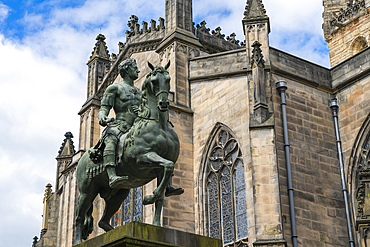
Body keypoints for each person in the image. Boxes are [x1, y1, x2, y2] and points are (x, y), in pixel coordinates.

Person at [97, 58, 141, 188]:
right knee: (111, 139)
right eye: (134, 67)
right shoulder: (114, 88)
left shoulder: (140, 92)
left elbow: (146, 110)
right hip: (120, 125)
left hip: (137, 127)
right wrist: (103, 117)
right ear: (127, 70)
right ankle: (111, 175)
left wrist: (141, 111)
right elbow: (104, 108)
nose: (138, 70)